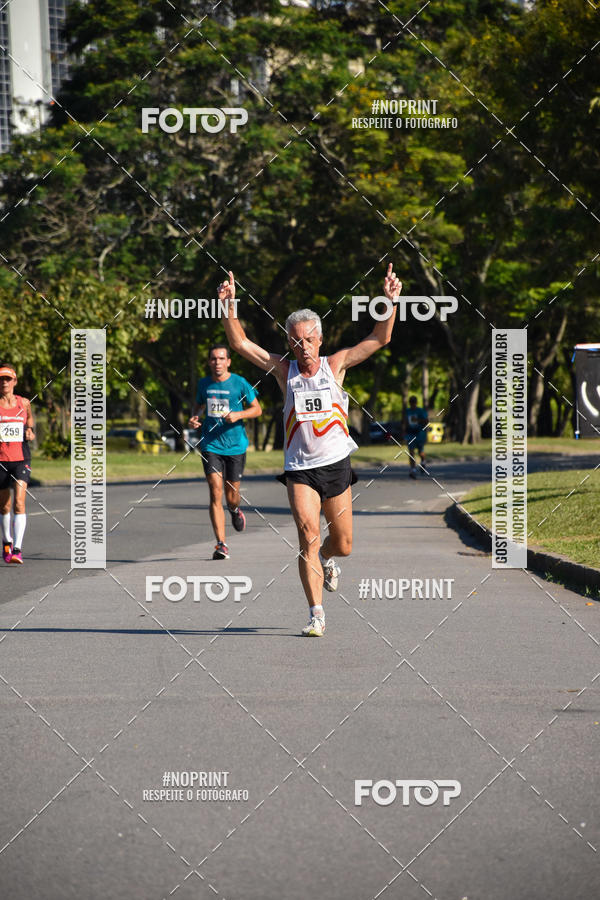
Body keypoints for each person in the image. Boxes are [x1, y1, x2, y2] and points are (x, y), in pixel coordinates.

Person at [221, 263, 401, 636]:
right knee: (307, 533)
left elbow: (379, 339)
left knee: (343, 544)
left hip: (336, 465)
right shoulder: (283, 371)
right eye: (294, 340)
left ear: (319, 338)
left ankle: (328, 560)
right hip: (300, 469)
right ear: (289, 341)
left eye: (307, 339)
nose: (301, 347)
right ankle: (316, 614)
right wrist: (229, 306)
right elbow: (240, 344)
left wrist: (389, 302)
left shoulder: (335, 365)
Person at [189, 345, 262, 560]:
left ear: (228, 361)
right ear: (209, 362)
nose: (217, 362)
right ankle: (221, 544)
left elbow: (257, 409)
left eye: (221, 358)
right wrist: (194, 418)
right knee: (215, 491)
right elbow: (198, 406)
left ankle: (234, 510)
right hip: (210, 444)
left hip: (235, 446)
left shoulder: (240, 383)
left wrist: (238, 415)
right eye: (213, 359)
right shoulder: (204, 384)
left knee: (232, 496)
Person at [0, 365, 35, 564]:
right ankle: (6, 541)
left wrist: (30, 431)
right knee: (4, 506)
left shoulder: (24, 403)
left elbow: (29, 421)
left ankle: (17, 549)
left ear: (15, 381)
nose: (4, 382)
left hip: (21, 458)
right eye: (1, 379)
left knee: (19, 502)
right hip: (1, 460)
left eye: (8, 379)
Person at [403, 395, 429, 479]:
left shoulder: (420, 411)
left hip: (419, 433)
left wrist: (417, 420)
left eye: (414, 402)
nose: (412, 404)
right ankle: (413, 469)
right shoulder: (407, 411)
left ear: (416, 403)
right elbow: (405, 422)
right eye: (411, 403)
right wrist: (404, 431)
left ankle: (423, 462)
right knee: (411, 452)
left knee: (420, 451)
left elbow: (426, 421)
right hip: (410, 434)